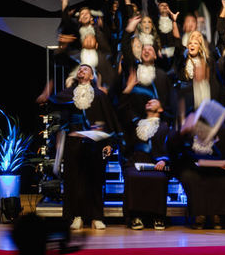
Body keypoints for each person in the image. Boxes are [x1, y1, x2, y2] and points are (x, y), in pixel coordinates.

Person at [41, 63, 121, 231]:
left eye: (85, 69)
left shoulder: (100, 95)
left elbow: (110, 120)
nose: (81, 71)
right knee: (74, 182)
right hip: (74, 143)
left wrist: (109, 144)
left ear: (91, 77)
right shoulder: (69, 94)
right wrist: (46, 95)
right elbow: (53, 103)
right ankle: (76, 216)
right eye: (79, 69)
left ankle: (97, 217)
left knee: (95, 180)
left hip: (95, 143)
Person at [121, 97, 172, 230]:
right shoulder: (136, 123)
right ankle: (135, 216)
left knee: (159, 178)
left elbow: (170, 147)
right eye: (148, 101)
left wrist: (164, 159)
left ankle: (158, 216)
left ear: (160, 109)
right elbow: (123, 108)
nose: (149, 102)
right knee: (132, 176)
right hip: (135, 160)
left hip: (156, 162)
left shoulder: (165, 126)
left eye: (154, 101)